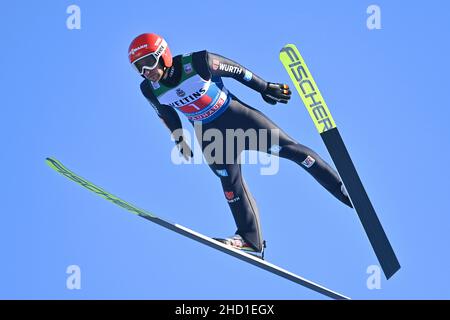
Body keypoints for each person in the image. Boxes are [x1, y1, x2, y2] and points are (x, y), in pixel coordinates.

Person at [128, 33, 352, 257]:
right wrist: (179, 137)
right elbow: (165, 113)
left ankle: (344, 189)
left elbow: (236, 70)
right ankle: (250, 240)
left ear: (162, 55)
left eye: (148, 62)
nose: (145, 71)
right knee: (229, 182)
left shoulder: (197, 62)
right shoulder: (149, 88)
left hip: (238, 118)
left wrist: (264, 87)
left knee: (291, 151)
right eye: (138, 67)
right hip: (209, 135)